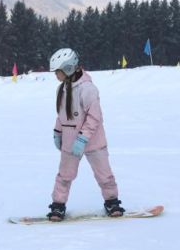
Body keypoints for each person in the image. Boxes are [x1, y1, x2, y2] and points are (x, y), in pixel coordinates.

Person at [47, 48, 124, 221]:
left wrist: (83, 138)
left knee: (104, 175)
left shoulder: (87, 89)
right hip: (69, 140)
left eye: (57, 72)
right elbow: (61, 114)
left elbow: (95, 117)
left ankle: (112, 201)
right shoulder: (62, 89)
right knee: (64, 176)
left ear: (68, 68)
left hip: (93, 141)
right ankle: (58, 205)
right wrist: (57, 131)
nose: (55, 76)